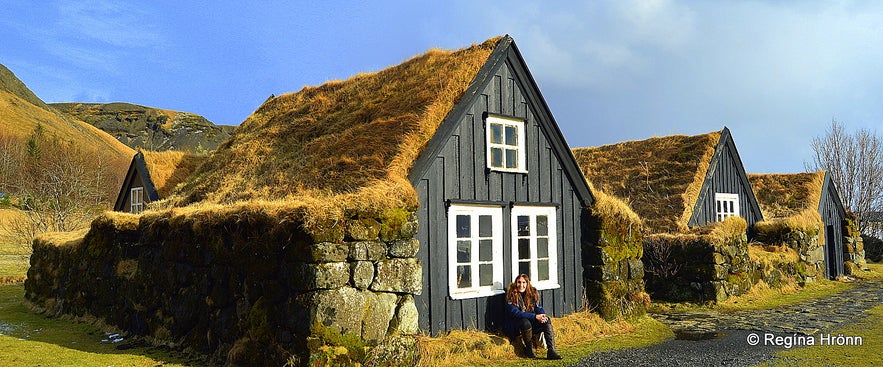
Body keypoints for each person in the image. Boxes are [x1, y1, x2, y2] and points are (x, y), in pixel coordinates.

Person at [504, 274, 562, 360]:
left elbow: (539, 308)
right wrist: (535, 316)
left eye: (524, 282)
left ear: (527, 283)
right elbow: (515, 313)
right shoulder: (511, 294)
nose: (521, 285)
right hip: (516, 325)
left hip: (531, 322)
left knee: (547, 320)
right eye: (519, 282)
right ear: (516, 283)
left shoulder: (532, 293)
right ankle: (529, 349)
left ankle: (551, 350)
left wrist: (542, 316)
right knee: (525, 322)